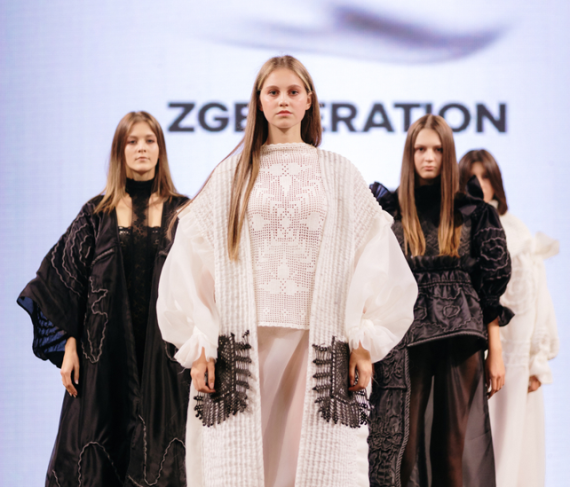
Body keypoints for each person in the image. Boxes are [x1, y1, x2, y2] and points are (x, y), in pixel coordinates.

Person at [156, 55, 418, 487]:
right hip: (248, 347)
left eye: (293, 92)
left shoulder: (339, 173)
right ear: (258, 101)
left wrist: (364, 342)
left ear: (308, 101)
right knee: (249, 468)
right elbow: (191, 259)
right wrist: (199, 345)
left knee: (313, 468)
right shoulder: (231, 176)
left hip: (318, 345)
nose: (283, 100)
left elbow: (375, 256)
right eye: (273, 92)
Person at [18, 111, 190, 487]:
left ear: (160, 149)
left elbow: (205, 283)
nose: (142, 148)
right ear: (119, 151)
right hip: (104, 359)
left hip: (167, 359)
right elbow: (64, 283)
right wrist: (69, 345)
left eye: (150, 140)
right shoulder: (96, 214)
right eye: (132, 141)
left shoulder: (185, 213)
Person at [369, 115, 513, 487]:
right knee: (401, 445)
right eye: (420, 149)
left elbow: (489, 286)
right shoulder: (388, 209)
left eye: (437, 149)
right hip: (403, 335)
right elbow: (372, 277)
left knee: (451, 450)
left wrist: (495, 349)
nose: (429, 157)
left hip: (460, 335)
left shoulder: (474, 212)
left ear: (448, 154)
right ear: (410, 153)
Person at [459, 149, 559, 487]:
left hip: (516, 355)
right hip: (474, 352)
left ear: (496, 182)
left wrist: (537, 360)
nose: (479, 184)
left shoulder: (518, 230)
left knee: (516, 443)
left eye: (485, 177)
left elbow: (538, 293)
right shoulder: (457, 226)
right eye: (471, 177)